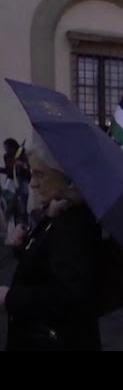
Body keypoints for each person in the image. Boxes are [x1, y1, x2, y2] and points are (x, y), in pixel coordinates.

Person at [0, 135, 103, 351]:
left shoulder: (74, 223)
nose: (34, 183)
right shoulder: (59, 211)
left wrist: (11, 297)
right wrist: (25, 246)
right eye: (31, 173)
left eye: (40, 175)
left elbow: (67, 297)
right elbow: (47, 261)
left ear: (67, 177)